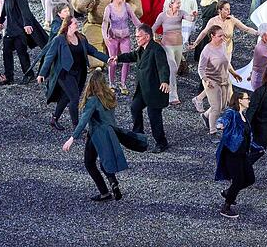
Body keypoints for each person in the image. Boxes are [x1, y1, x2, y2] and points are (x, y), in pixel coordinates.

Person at [62, 69, 133, 202]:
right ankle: (113, 182)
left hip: (96, 135)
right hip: (110, 133)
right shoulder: (110, 96)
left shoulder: (92, 100)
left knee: (89, 163)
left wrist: (72, 138)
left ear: (91, 84)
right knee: (105, 161)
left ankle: (104, 193)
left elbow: (83, 120)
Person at [38, 14, 108, 129]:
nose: (77, 24)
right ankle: (76, 126)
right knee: (74, 98)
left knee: (66, 97)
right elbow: (49, 56)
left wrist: (107, 59)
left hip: (79, 73)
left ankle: (54, 119)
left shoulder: (81, 38)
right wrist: (42, 73)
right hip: (65, 74)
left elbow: (93, 51)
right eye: (75, 23)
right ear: (68, 26)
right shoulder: (59, 39)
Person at [110, 24, 171, 153]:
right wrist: (118, 58)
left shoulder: (156, 49)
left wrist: (165, 81)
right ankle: (138, 136)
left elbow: (163, 67)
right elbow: (133, 56)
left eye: (138, 36)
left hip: (154, 91)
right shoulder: (142, 49)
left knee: (154, 116)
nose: (136, 38)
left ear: (147, 37)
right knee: (135, 107)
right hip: (143, 89)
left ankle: (161, 142)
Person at [0, 0, 46, 85]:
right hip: (10, 28)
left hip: (19, 29)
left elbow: (25, 9)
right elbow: (5, 7)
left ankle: (28, 74)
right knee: (6, 52)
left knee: (21, 52)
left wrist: (27, 24)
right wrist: (1, 20)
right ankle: (9, 77)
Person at [199, 25, 243, 141]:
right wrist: (206, 79)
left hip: (224, 79)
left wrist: (233, 73)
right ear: (212, 36)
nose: (222, 38)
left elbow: (226, 61)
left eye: (223, 35)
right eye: (220, 36)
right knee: (216, 108)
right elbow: (201, 68)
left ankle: (205, 116)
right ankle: (212, 132)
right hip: (211, 81)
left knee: (223, 106)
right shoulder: (207, 50)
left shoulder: (223, 45)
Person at [216, 91, 256, 219]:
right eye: (247, 98)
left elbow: (247, 136)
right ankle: (226, 207)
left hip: (242, 153)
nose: (249, 100)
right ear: (239, 100)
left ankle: (229, 192)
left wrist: (256, 148)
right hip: (232, 153)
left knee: (250, 179)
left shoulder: (243, 115)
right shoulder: (232, 113)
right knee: (238, 180)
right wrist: (220, 124)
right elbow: (224, 119)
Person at [102, 0, 143, 95]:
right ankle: (111, 83)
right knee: (113, 62)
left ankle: (123, 83)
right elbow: (105, 24)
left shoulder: (127, 6)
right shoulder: (109, 8)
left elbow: (135, 20)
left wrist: (143, 29)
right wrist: (105, 37)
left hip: (125, 37)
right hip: (113, 38)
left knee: (126, 60)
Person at [153, 0, 193, 106]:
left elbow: (189, 18)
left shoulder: (181, 13)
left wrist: (193, 16)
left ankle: (163, 85)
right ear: (171, 4)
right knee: (172, 68)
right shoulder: (163, 16)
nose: (179, 5)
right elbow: (153, 27)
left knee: (174, 70)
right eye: (177, 3)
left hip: (178, 45)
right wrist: (154, 38)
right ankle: (173, 95)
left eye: (180, 3)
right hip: (167, 46)